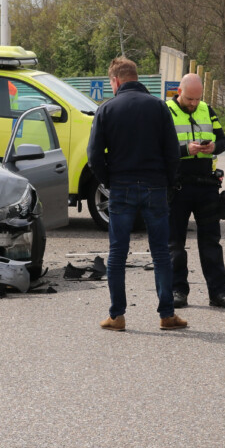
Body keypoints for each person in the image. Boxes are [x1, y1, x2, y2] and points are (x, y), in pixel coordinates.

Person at [87, 57, 187, 332]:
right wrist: (168, 182)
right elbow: (172, 152)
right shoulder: (158, 106)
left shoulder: (106, 109)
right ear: (136, 77)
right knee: (161, 253)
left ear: (116, 80)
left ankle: (117, 316)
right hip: (155, 185)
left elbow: (94, 155)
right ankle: (167, 315)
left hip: (121, 187)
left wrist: (109, 181)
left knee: (117, 254)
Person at [166, 73, 225, 309]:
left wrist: (214, 147)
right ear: (179, 92)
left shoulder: (208, 110)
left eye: (197, 99)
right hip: (177, 187)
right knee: (175, 244)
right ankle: (177, 291)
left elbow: (223, 141)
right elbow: (158, 148)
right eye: (189, 99)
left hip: (206, 186)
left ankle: (218, 293)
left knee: (211, 243)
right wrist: (186, 150)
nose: (194, 103)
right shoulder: (165, 112)